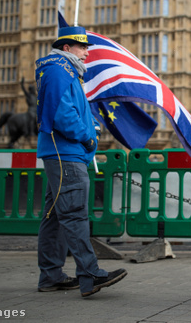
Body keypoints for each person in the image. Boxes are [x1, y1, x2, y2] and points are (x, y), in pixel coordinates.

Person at [35, 25, 127, 297]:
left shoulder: (64, 71)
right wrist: (87, 136)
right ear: (67, 48)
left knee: (54, 218)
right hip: (66, 153)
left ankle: (51, 276)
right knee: (74, 214)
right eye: (82, 47)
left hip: (61, 152)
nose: (87, 53)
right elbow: (61, 114)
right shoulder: (59, 70)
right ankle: (90, 274)